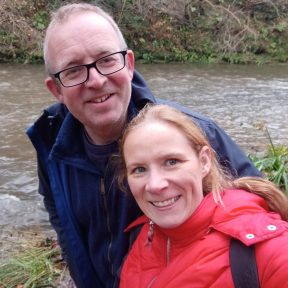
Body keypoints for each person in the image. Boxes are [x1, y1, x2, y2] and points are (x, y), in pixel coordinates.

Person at [26, 3, 261, 288]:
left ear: (129, 64)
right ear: (56, 89)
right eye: (74, 71)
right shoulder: (50, 145)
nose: (97, 80)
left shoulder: (192, 133)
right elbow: (63, 224)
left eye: (107, 59)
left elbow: (256, 218)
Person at [118, 104, 288, 288]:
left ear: (204, 161)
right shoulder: (142, 236)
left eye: (171, 162)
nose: (155, 185)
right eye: (139, 169)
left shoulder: (269, 252)